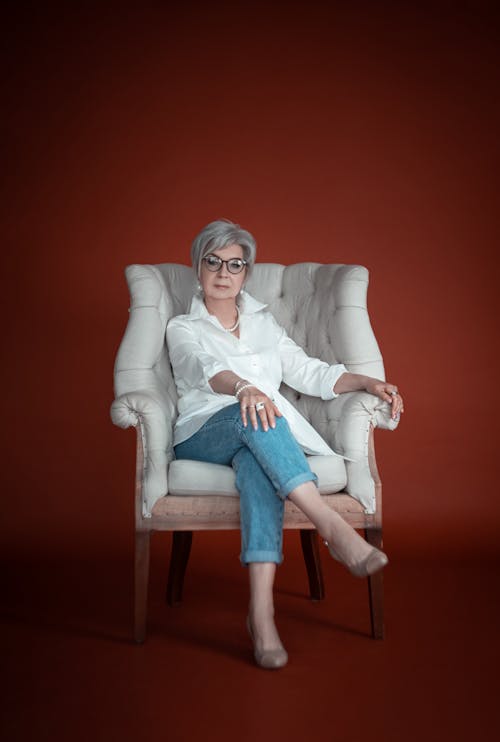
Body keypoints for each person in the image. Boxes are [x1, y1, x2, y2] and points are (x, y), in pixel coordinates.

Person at [166, 219, 404, 670]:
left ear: (246, 273)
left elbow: (308, 371)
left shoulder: (263, 323)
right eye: (212, 261)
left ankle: (261, 615)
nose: (223, 272)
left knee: (257, 462)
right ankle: (331, 527)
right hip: (202, 432)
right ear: (198, 267)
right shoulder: (183, 326)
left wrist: (368, 382)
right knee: (256, 408)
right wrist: (243, 388)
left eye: (235, 264)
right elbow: (201, 367)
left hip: (257, 426)